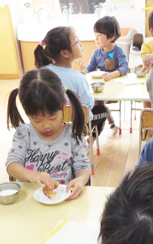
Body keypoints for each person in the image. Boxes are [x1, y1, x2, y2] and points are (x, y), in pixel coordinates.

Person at [6, 68, 90, 199]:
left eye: (52, 117)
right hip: (30, 201)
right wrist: (31, 175)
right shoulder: (24, 134)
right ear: (27, 112)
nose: (47, 126)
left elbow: (83, 167)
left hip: (63, 198)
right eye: (37, 120)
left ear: (63, 105)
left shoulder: (73, 134)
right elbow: (11, 165)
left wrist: (80, 180)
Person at [34, 26, 106, 139]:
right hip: (76, 127)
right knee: (103, 110)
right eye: (77, 41)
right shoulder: (78, 78)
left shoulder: (41, 74)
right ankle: (88, 141)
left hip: (49, 127)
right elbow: (88, 105)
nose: (80, 44)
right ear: (65, 53)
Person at [78, 16, 129, 135]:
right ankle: (111, 125)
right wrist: (83, 71)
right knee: (96, 103)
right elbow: (90, 68)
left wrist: (111, 75)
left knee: (99, 104)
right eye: (95, 35)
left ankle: (111, 125)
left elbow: (124, 68)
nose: (96, 38)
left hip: (114, 88)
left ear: (111, 37)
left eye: (99, 35)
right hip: (100, 87)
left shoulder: (118, 52)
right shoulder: (96, 53)